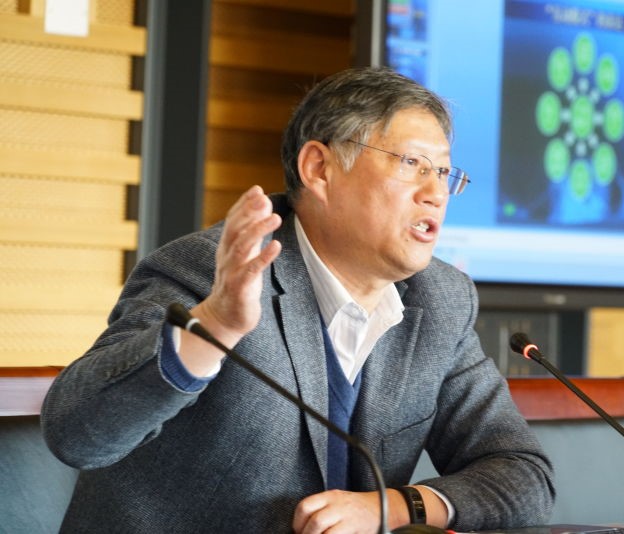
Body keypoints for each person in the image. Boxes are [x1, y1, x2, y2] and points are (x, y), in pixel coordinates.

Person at [42, 66, 554, 533]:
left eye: (443, 172)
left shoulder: (440, 298)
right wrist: (216, 324)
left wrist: (394, 507)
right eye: (412, 164)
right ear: (319, 168)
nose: (436, 193)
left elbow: (522, 474)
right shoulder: (217, 272)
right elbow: (77, 434)